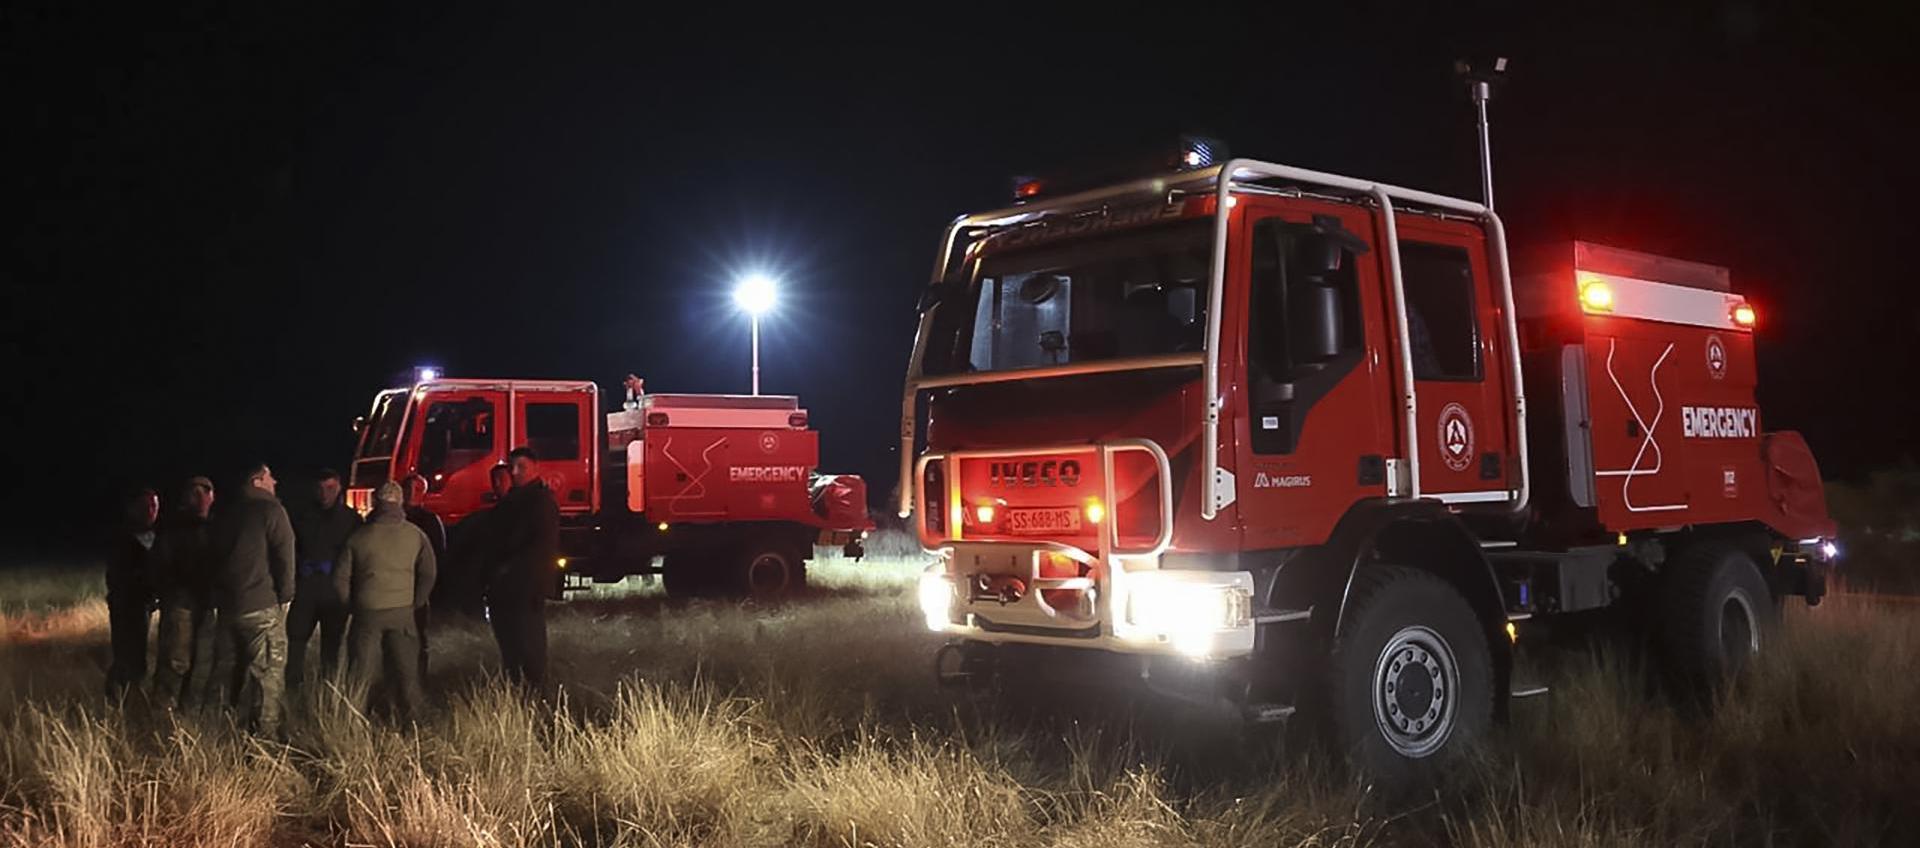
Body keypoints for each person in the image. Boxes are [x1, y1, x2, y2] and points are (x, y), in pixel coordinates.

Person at [333, 481, 436, 722]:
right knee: (407, 674)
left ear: (375, 504)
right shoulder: (416, 535)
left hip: (367, 613)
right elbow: (429, 573)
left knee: (360, 675)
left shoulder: (358, 537)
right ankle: (412, 724)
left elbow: (339, 579)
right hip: (402, 613)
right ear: (400, 502)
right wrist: (416, 602)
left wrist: (353, 605)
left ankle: (354, 724)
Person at [208, 463, 296, 735]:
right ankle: (265, 741)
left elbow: (212, 558)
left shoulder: (224, 513)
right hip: (261, 606)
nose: (275, 482)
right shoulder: (271, 510)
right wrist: (285, 596)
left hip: (228, 608)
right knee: (267, 676)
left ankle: (220, 728)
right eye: (270, 477)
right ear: (257, 481)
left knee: (227, 669)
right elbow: (285, 557)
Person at [486, 448, 558, 691]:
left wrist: (507, 569)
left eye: (521, 467)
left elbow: (540, 546)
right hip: (507, 586)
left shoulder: (540, 501)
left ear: (535, 467)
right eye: (512, 467)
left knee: (528, 642)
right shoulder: (514, 499)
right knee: (511, 643)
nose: (515, 472)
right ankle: (517, 685)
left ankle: (535, 689)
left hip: (526, 586)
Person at [286, 469, 360, 690]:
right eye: (320, 488)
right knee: (296, 642)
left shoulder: (351, 520)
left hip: (334, 594)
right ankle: (292, 689)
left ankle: (326, 692)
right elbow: (289, 549)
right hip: (305, 591)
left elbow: (356, 556)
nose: (324, 494)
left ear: (339, 488)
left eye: (329, 488)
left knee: (331, 647)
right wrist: (301, 566)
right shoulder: (301, 516)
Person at [151, 476, 217, 709]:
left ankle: (188, 717)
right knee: (175, 662)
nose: (201, 499)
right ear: (186, 498)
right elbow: (160, 567)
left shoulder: (216, 528)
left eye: (205, 493)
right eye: (195, 493)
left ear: (213, 497)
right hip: (180, 604)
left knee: (202, 664)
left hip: (207, 605)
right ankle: (162, 715)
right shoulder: (172, 529)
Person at [104, 487, 161, 698]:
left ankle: (130, 694)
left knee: (138, 655)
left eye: (155, 506)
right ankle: (118, 696)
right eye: (147, 506)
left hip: (143, 604)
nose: (152, 510)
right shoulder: (124, 536)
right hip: (125, 604)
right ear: (134, 509)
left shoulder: (156, 536)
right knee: (125, 654)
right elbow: (118, 575)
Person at [438, 464, 510, 618]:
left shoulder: (516, 513)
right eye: (494, 480)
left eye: (502, 479)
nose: (497, 484)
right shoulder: (482, 518)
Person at [401, 475, 445, 679]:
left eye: (417, 489)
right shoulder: (395, 518)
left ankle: (420, 678)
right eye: (408, 489)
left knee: (418, 635)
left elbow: (438, 555)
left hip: (418, 587)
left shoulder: (430, 521)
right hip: (396, 586)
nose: (412, 494)